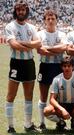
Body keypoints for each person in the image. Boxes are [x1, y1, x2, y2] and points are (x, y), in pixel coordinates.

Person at [4, 0, 41, 133]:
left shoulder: (31, 27)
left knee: (29, 95)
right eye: (19, 10)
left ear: (26, 12)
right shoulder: (10, 26)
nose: (21, 12)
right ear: (16, 11)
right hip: (16, 63)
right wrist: (29, 45)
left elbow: (38, 44)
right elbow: (13, 45)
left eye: (23, 10)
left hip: (29, 63)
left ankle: (28, 125)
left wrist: (23, 44)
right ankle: (10, 126)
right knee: (11, 95)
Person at [36, 9, 67, 130]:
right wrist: (56, 50)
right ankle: (41, 122)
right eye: (48, 19)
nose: (50, 21)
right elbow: (40, 50)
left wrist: (48, 49)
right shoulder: (40, 34)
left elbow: (63, 47)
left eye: (53, 18)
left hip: (58, 67)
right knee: (43, 96)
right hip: (45, 66)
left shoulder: (62, 34)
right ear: (44, 21)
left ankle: (60, 123)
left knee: (59, 97)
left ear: (56, 20)